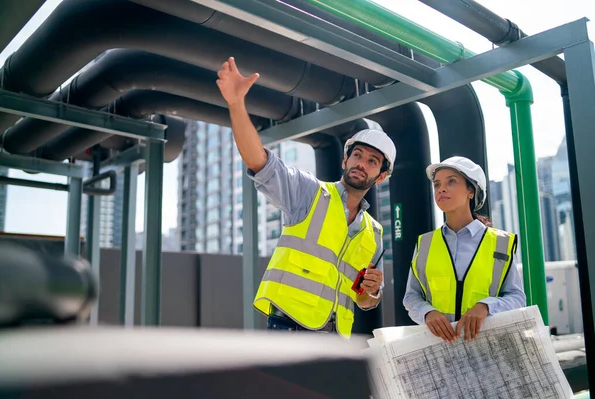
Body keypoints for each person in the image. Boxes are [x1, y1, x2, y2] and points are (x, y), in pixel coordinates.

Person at [216, 57, 396, 339]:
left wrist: (372, 291)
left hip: (337, 337)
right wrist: (236, 104)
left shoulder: (373, 233)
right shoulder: (309, 193)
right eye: (357, 155)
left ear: (381, 176)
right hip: (289, 329)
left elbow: (364, 301)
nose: (361, 163)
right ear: (344, 160)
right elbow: (259, 162)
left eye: (372, 161)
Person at [403, 156, 526, 343]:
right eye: (437, 185)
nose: (441, 189)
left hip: (487, 347)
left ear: (471, 191)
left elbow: (517, 297)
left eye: (451, 181)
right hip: (438, 347)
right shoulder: (425, 243)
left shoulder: (501, 243)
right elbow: (412, 296)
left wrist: (486, 306)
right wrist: (427, 312)